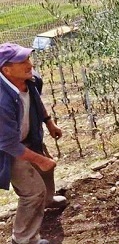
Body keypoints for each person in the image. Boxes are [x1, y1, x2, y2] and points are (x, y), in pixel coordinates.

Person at [0, 42, 68, 244]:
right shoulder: (1, 101)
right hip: (7, 149)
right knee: (32, 192)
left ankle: (47, 200)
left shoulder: (29, 78)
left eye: (28, 58)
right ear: (6, 69)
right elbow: (8, 144)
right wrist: (39, 159)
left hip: (28, 138)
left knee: (46, 169)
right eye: (22, 61)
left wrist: (49, 122)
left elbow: (35, 99)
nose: (29, 64)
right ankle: (23, 239)